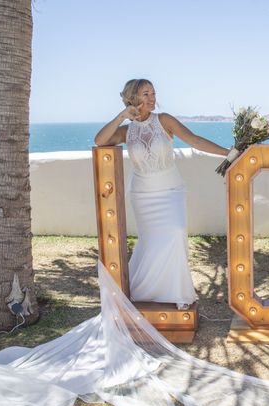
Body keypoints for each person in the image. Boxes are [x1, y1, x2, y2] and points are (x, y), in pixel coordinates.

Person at [95, 79, 231, 308]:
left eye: (153, 93)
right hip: (142, 194)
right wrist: (121, 116)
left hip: (171, 191)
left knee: (176, 233)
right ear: (132, 99)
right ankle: (144, 292)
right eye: (145, 94)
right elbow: (99, 141)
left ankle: (175, 293)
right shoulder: (126, 131)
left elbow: (195, 140)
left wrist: (228, 154)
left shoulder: (164, 120)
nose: (151, 98)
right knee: (151, 242)